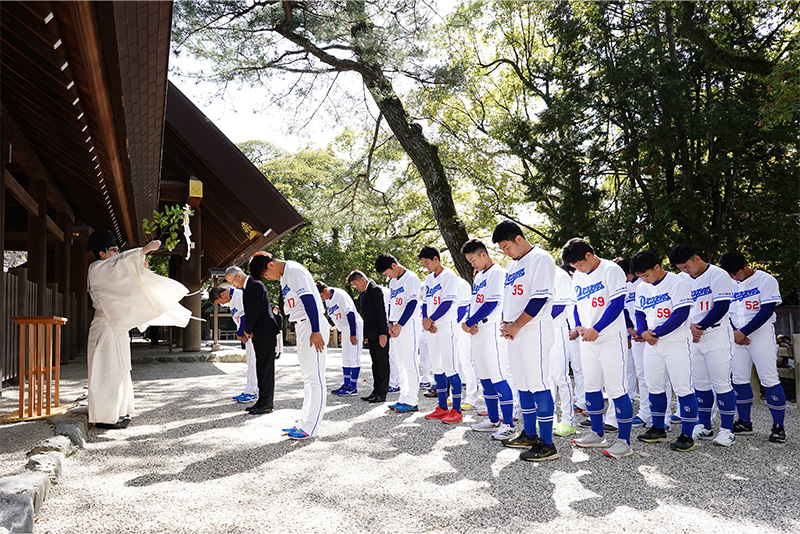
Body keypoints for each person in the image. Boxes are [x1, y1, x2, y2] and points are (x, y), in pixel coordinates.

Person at [86, 231, 191, 428]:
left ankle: (119, 411)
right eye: (114, 250)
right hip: (105, 328)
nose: (117, 253)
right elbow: (119, 265)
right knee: (106, 372)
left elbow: (126, 279)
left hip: (116, 328)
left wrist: (140, 270)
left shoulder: (107, 269)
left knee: (119, 371)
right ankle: (104, 417)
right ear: (101, 253)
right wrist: (142, 251)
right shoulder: (97, 268)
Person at [562, 237, 633, 459]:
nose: (578, 269)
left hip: (610, 338)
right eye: (574, 267)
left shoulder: (611, 270)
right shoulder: (579, 276)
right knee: (591, 386)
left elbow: (617, 304)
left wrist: (597, 328)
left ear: (589, 255)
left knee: (616, 388)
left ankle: (624, 441)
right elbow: (575, 305)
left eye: (579, 264)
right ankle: (597, 432)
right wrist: (579, 326)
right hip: (588, 339)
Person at [493, 222, 558, 461]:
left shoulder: (540, 258)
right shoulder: (512, 265)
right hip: (515, 331)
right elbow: (509, 298)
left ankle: (548, 443)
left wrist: (517, 325)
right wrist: (505, 323)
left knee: (538, 383)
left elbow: (539, 297)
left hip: (534, 329)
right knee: (522, 384)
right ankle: (529, 434)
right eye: (502, 249)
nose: (505, 252)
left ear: (519, 238)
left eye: (506, 246)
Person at [630, 250, 699, 452]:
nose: (644, 279)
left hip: (676, 342)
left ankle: (687, 434)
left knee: (683, 388)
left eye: (646, 274)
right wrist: (642, 332)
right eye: (640, 276)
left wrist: (656, 332)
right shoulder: (642, 287)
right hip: (653, 343)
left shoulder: (678, 283)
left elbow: (681, 313)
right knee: (654, 386)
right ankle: (658, 427)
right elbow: (640, 312)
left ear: (657, 267)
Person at [669, 245, 737, 447]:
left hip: (716, 333)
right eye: (681, 268)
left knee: (721, 382)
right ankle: (704, 424)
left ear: (697, 258)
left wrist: (700, 326)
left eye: (687, 266)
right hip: (691, 335)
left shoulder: (718, 274)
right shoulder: (680, 280)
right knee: (700, 383)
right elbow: (678, 307)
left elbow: (722, 305)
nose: (685, 271)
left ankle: (727, 429)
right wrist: (690, 328)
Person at [719, 251, 787, 443]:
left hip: (760, 334)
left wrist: (745, 332)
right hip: (736, 336)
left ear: (745, 266)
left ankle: (778, 427)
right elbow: (724, 310)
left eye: (736, 273)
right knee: (739, 379)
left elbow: (766, 310)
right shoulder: (728, 283)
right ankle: (744, 422)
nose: (733, 277)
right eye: (730, 275)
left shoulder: (766, 280)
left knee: (769, 378)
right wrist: (735, 332)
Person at [261, 253, 328, 439]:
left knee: (315, 377)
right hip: (302, 324)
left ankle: (311, 427)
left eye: (266, 275)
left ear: (271, 265)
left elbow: (309, 300)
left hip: (311, 324)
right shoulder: (285, 275)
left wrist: (316, 330)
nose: (269, 279)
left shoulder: (294, 270)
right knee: (307, 377)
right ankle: (303, 422)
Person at [460, 239, 516, 441]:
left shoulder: (498, 273)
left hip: (491, 328)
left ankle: (509, 424)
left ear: (483, 254)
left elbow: (492, 303)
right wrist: (470, 322)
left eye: (473, 259)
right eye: (469, 261)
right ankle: (493, 419)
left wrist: (470, 321)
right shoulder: (479, 276)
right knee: (485, 376)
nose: (471, 264)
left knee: (497, 375)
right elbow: (476, 302)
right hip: (477, 331)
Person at [227, 261, 280, 416]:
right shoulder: (248, 287)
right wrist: (247, 330)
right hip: (259, 332)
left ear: (238, 276)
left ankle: (267, 403)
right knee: (260, 368)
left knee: (266, 368)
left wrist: (247, 330)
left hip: (265, 332)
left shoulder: (255, 285)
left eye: (232, 282)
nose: (233, 285)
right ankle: (261, 401)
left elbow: (255, 311)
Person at [418, 245, 464, 424]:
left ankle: (457, 410)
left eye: (427, 262)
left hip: (445, 327)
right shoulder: (429, 279)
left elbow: (447, 303)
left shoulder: (449, 276)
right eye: (423, 264)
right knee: (437, 368)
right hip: (431, 329)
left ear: (436, 259)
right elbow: (425, 302)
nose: (426, 266)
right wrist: (426, 320)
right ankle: (442, 407)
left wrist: (431, 319)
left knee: (450, 368)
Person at [375, 253, 422, 413]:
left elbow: (413, 302)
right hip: (395, 326)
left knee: (410, 362)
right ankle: (403, 397)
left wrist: (400, 324)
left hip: (408, 325)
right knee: (399, 363)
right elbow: (391, 304)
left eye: (388, 272)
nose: (388, 276)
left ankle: (412, 400)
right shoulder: (393, 281)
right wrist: (390, 323)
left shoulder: (411, 278)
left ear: (394, 265)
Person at [209, 284, 258, 404]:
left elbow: (244, 317)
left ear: (222, 294)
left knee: (253, 363)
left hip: (251, 334)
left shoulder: (239, 296)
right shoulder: (231, 299)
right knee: (250, 362)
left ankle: (253, 392)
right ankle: (249, 389)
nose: (221, 304)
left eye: (220, 302)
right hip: (247, 335)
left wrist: (240, 334)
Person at [348, 270, 390, 403]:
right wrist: (366, 335)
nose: (356, 288)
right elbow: (366, 316)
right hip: (371, 334)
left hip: (380, 333)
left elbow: (381, 313)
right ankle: (375, 390)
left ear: (362, 279)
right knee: (375, 364)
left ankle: (382, 393)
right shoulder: (363, 293)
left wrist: (383, 333)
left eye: (356, 284)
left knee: (382, 363)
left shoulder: (375, 290)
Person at [316, 281, 364, 396]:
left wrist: (353, 333)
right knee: (345, 357)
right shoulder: (328, 300)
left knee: (354, 356)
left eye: (321, 296)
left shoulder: (340, 295)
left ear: (326, 290)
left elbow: (351, 313)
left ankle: (353, 387)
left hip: (354, 326)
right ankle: (346, 384)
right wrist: (341, 331)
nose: (322, 299)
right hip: (345, 329)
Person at [549, 263, 577, 436]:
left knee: (560, 376)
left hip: (556, 328)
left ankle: (568, 420)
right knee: (546, 377)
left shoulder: (560, 276)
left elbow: (558, 307)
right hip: (540, 330)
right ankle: (548, 418)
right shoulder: (537, 276)